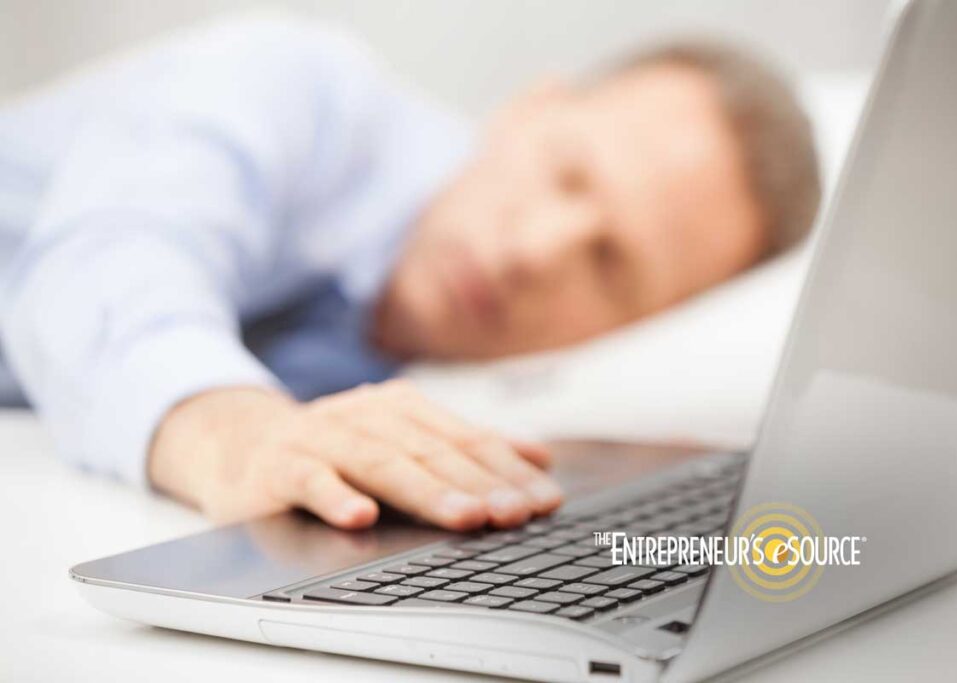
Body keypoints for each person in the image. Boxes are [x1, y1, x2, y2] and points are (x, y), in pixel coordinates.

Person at [0, 16, 820, 532]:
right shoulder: (297, 86)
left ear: (630, 328)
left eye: (610, 265)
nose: (534, 252)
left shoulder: (443, 383)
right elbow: (103, 261)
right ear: (529, 109)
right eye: (568, 173)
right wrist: (235, 434)